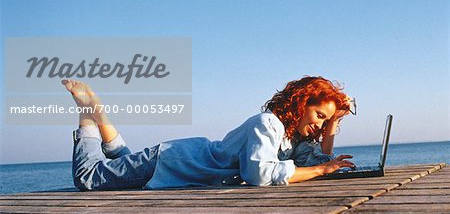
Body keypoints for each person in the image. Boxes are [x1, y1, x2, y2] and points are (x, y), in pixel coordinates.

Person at [63, 76, 355, 191]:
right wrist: (319, 170)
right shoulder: (268, 124)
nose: (320, 125)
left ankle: (101, 117)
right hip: (172, 161)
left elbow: (317, 161)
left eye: (325, 121)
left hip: (178, 166)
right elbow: (258, 174)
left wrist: (331, 128)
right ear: (302, 104)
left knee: (124, 166)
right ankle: (88, 114)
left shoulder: (292, 137)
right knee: (88, 178)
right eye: (319, 116)